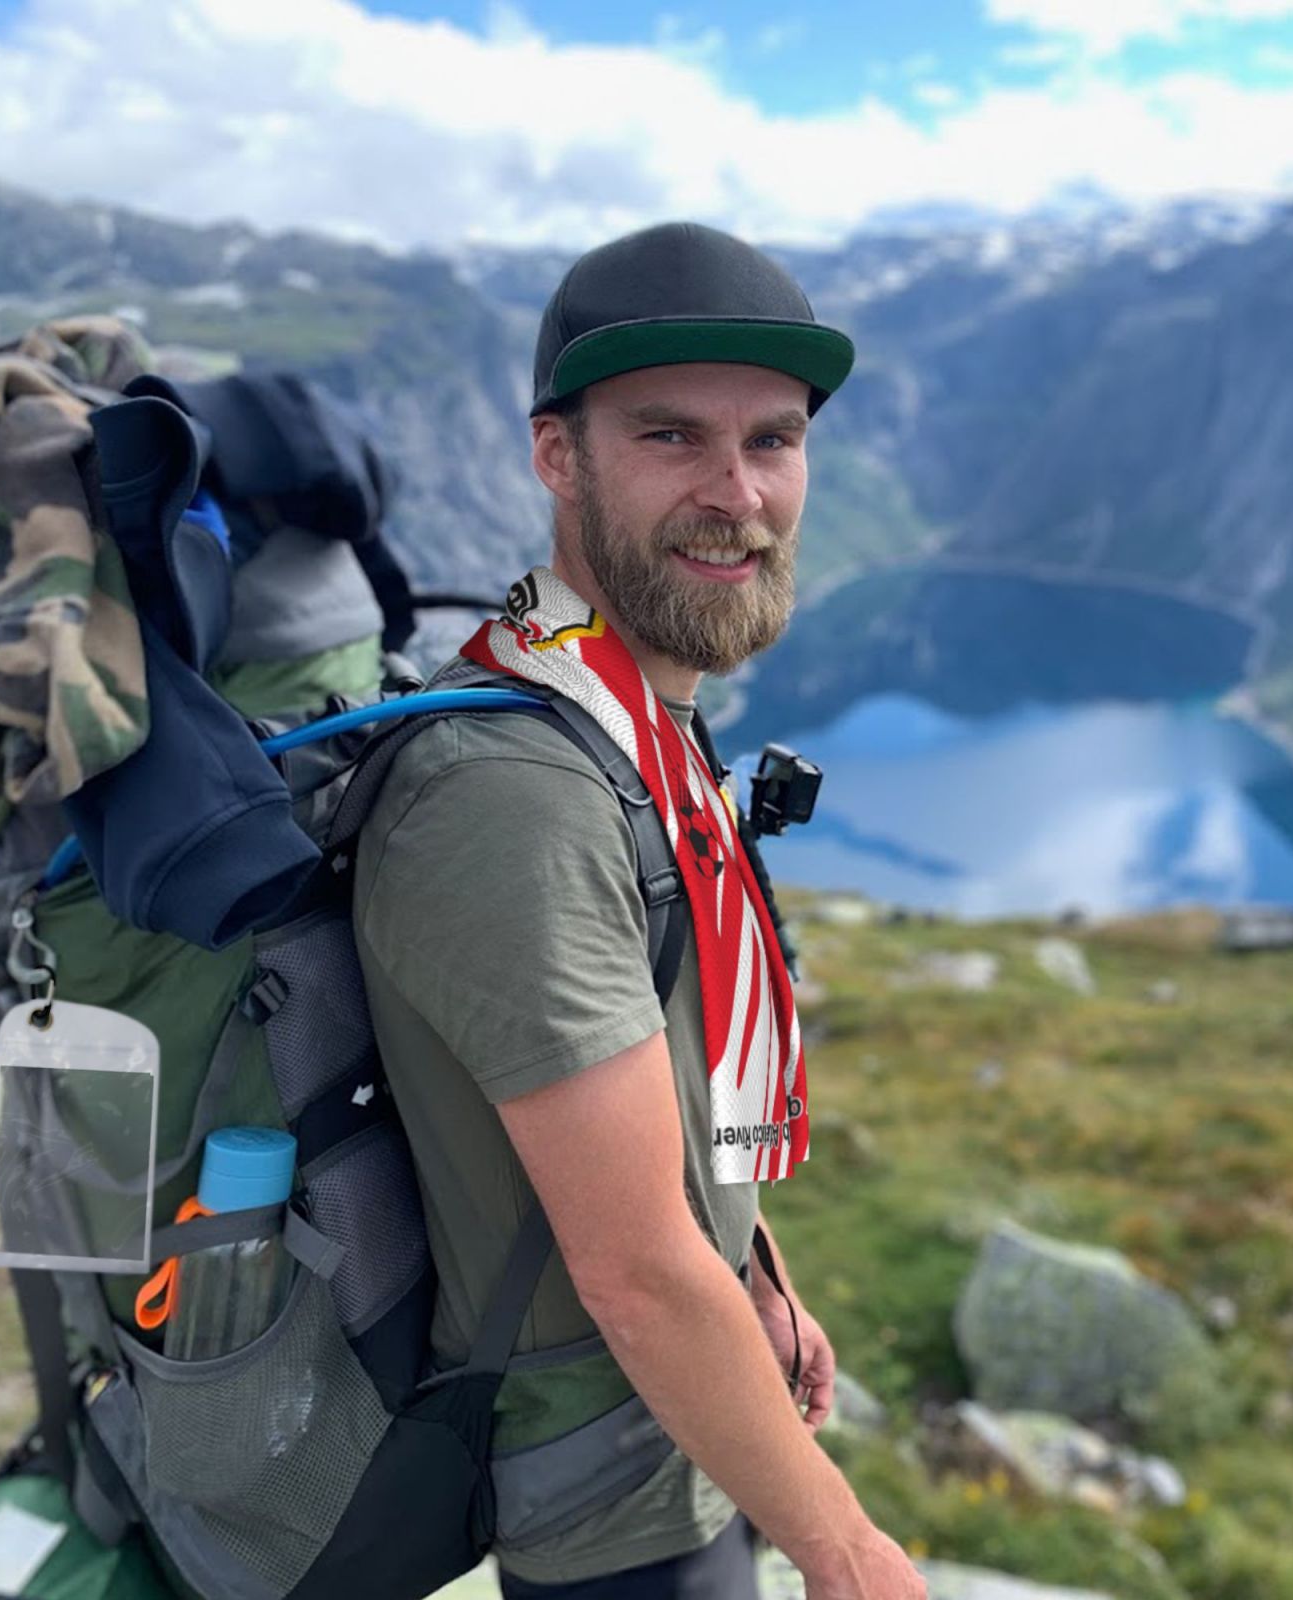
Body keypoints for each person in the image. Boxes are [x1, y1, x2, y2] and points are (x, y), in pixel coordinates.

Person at [352, 221, 928, 1600]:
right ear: (559, 456)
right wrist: (846, 1554)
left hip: (683, 1424)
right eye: (672, 438)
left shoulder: (614, 705)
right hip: (606, 1493)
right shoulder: (519, 797)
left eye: (774, 442)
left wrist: (765, 1273)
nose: (738, 493)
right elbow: (634, 1273)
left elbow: (668, 1067)